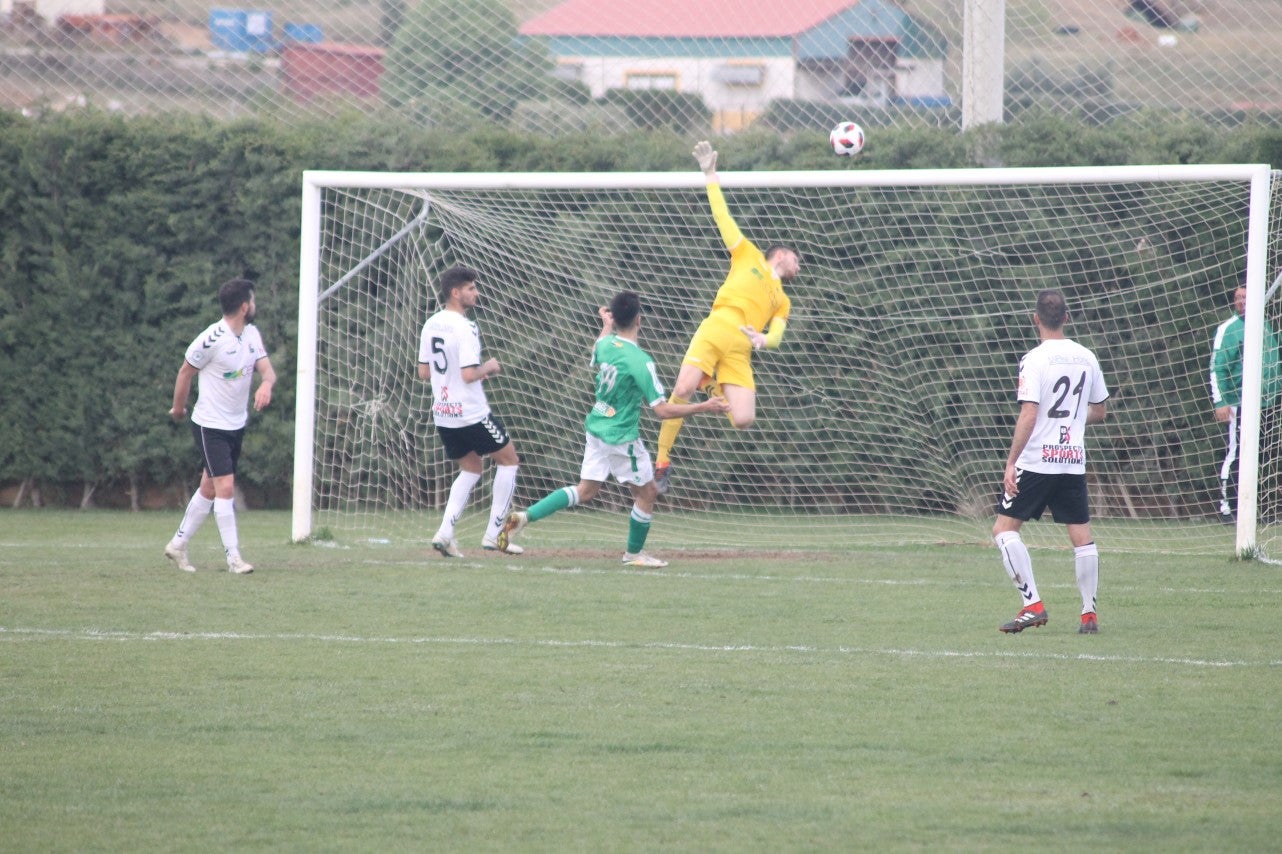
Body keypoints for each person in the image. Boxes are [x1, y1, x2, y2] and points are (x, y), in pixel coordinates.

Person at [497, 290, 729, 567]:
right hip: (621, 437)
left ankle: (524, 517)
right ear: (639, 319)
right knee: (647, 492)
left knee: (585, 491)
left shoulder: (606, 346)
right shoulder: (641, 361)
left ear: (616, 319)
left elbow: (597, 348)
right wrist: (704, 406)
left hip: (596, 428)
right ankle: (633, 555)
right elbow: (662, 410)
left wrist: (606, 326)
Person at [653, 139, 799, 494]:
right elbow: (723, 217)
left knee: (744, 419)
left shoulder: (783, 300)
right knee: (683, 388)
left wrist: (764, 339)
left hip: (741, 350)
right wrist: (710, 175)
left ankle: (712, 384)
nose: (800, 265)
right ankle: (661, 461)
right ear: (779, 255)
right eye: (797, 258)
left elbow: (777, 333)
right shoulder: (748, 255)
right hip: (718, 326)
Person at [993, 289, 1109, 635]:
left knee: (1003, 531)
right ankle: (1088, 615)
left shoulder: (1034, 359)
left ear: (1036, 319)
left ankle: (1033, 605)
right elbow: (1100, 411)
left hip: (1038, 460)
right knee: (1082, 538)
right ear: (1067, 318)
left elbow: (1030, 412)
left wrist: (1011, 461)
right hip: (1072, 459)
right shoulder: (1087, 356)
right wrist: (1071, 421)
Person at [164, 277, 276, 574]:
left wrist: (266, 385)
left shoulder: (251, 335)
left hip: (235, 425)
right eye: (251, 300)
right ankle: (233, 558)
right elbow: (185, 371)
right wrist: (178, 407)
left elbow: (268, 371)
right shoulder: (211, 338)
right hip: (209, 425)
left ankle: (177, 545)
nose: (254, 305)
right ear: (243, 306)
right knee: (225, 485)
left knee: (209, 488)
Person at [417, 265, 523, 558]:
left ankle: (445, 533)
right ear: (455, 292)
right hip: (470, 412)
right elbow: (467, 374)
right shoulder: (466, 327)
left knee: (472, 468)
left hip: (444, 413)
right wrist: (487, 368)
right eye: (471, 288)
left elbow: (424, 372)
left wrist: (462, 373)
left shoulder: (431, 324)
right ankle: (493, 535)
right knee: (509, 460)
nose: (476, 293)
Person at [1209, 283, 1282, 521]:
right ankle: (1227, 508)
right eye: (1237, 297)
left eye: (1245, 297)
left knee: (1261, 455)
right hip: (1239, 403)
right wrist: (1220, 401)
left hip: (1267, 404)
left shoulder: (1265, 326)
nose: (1240, 301)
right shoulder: (1229, 329)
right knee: (1237, 453)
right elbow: (1217, 367)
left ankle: (1254, 509)